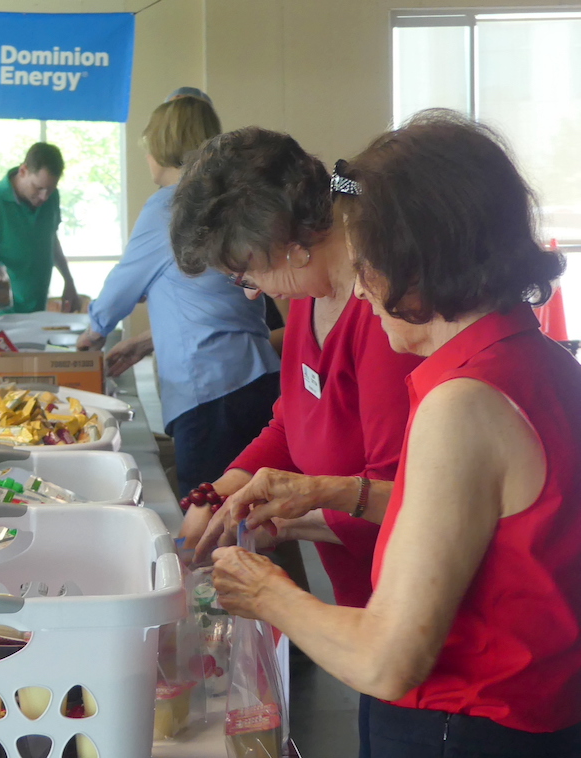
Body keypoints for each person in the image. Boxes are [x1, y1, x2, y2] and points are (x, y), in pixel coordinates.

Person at [210, 111, 581, 757]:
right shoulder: (541, 361)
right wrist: (319, 498)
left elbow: (387, 659)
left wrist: (267, 593)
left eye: (366, 262)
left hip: (465, 725)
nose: (357, 286)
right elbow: (465, 529)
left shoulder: (463, 405)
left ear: (417, 260)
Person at [76, 96, 280, 495]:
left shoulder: (167, 207)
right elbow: (210, 299)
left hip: (209, 389)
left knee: (209, 513)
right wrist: (147, 341)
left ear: (159, 147)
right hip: (255, 376)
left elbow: (123, 285)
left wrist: (92, 335)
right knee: (255, 507)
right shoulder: (227, 199)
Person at [0, 142, 80, 320]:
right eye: (38, 188)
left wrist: (69, 281)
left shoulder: (51, 199)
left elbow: (50, 239)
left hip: (36, 310)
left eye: (50, 189)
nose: (44, 196)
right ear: (23, 171)